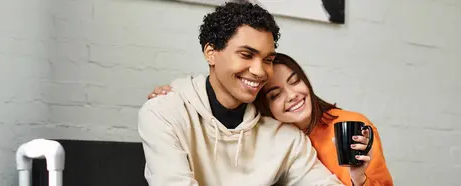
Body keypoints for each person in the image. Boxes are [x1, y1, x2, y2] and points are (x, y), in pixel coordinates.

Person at [138, 2, 345, 186]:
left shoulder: (284, 135)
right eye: (246, 55)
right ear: (211, 53)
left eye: (268, 60)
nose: (260, 71)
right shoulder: (165, 113)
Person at [148, 53, 394, 186]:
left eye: (295, 81)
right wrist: (177, 95)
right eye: (275, 95)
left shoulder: (349, 126)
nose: (293, 96)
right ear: (263, 105)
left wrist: (358, 179)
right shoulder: (271, 136)